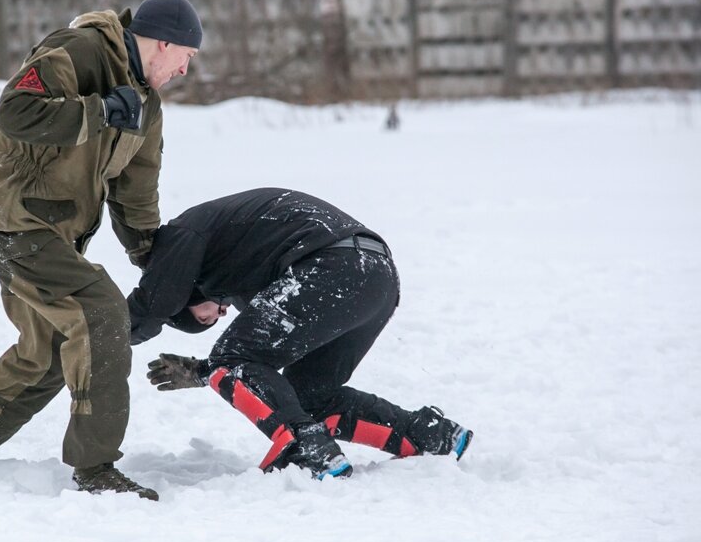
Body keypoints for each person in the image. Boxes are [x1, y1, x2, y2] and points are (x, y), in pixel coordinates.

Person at [0, 0, 204, 501]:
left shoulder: (148, 106)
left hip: (50, 233)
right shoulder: (80, 51)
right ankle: (95, 470)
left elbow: (136, 198)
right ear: (165, 43)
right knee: (98, 312)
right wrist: (99, 111)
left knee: (47, 351)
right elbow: (16, 111)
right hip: (6, 215)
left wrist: (163, 273)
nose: (186, 69)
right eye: (188, 57)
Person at [127, 188, 473, 479]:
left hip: (332, 266)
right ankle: (429, 435)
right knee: (308, 395)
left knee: (232, 357)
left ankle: (308, 449)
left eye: (205, 317)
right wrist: (203, 371)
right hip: (376, 277)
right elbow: (263, 362)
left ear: (186, 295)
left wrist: (100, 335)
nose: (221, 312)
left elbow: (156, 303)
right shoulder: (237, 262)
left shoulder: (184, 235)